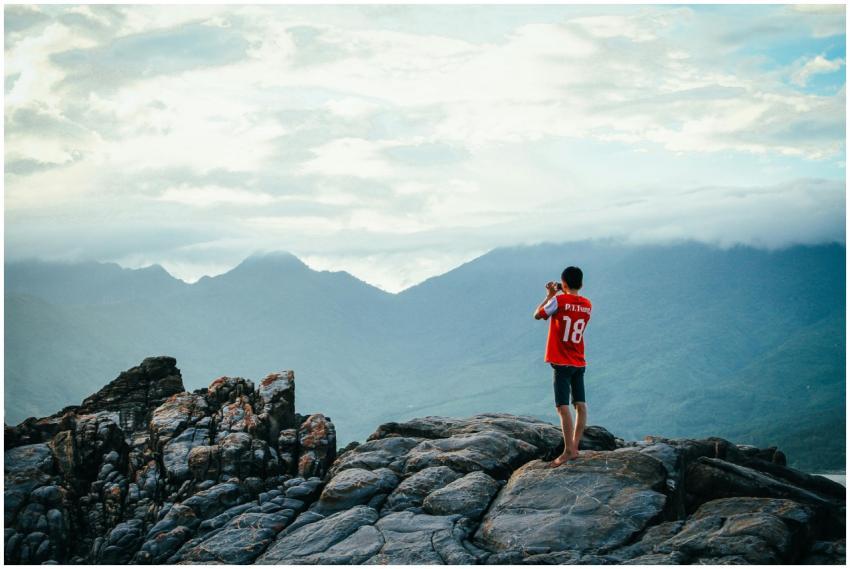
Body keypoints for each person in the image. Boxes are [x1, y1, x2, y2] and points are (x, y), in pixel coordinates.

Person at [533, 266, 592, 467]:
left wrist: (550, 295)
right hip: (579, 360)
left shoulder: (558, 300)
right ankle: (575, 446)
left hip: (561, 361)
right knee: (580, 405)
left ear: (563, 283)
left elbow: (538, 315)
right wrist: (563, 292)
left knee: (562, 406)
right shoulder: (587, 304)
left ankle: (568, 451)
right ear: (581, 284)